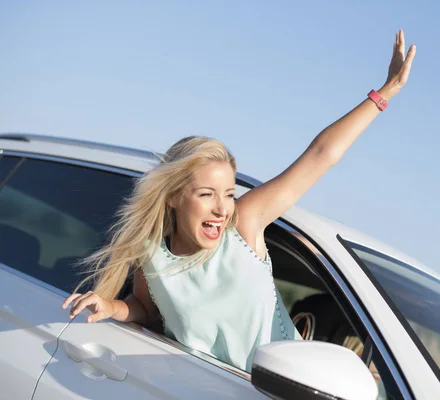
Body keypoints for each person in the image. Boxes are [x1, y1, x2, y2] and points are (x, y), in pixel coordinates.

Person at [62, 29, 416, 373]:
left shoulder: (244, 226)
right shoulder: (152, 257)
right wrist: (109, 305)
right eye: (206, 194)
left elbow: (321, 154)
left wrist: (385, 92)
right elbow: (147, 310)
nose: (222, 208)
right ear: (172, 197)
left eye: (229, 194)